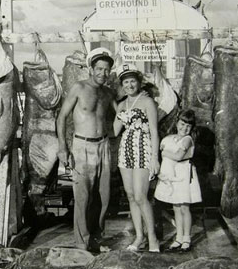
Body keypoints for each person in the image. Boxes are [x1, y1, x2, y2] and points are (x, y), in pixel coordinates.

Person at [56, 47, 116, 251]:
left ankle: (97, 238)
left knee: (104, 197)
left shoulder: (108, 93)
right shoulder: (79, 88)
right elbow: (62, 116)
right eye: (99, 69)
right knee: (82, 197)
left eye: (106, 70)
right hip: (82, 147)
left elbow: (122, 114)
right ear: (91, 69)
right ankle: (82, 242)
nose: (102, 73)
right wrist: (62, 146)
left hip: (104, 146)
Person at [114, 64, 160, 252]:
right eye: (126, 82)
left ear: (139, 82)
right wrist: (112, 106)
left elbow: (155, 132)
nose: (130, 85)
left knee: (141, 196)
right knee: (131, 196)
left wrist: (155, 158)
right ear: (122, 85)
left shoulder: (147, 102)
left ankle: (153, 239)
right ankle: (139, 237)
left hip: (143, 148)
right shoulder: (121, 103)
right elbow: (115, 130)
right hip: (126, 149)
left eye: (133, 81)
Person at [154, 109, 202, 252]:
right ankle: (179, 237)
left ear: (192, 128)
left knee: (184, 207)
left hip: (184, 174)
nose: (184, 128)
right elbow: (163, 145)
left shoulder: (187, 139)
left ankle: (187, 237)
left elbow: (179, 156)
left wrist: (163, 152)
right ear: (177, 123)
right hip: (173, 175)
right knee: (176, 207)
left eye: (188, 126)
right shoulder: (171, 137)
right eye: (182, 124)